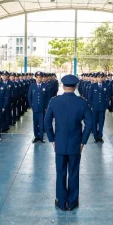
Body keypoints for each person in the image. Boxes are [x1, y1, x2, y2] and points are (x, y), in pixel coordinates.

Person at [44, 74, 93, 212]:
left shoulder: (54, 101)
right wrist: (83, 142)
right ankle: (72, 202)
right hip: (75, 144)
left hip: (59, 143)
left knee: (60, 173)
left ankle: (61, 201)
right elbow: (89, 124)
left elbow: (47, 122)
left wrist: (52, 139)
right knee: (73, 172)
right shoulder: (82, 102)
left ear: (62, 86)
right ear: (76, 86)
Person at [88, 72, 110, 143]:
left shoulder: (106, 86)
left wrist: (106, 106)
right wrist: (91, 106)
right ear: (96, 78)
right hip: (94, 107)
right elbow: (90, 97)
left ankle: (100, 136)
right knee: (94, 122)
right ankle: (95, 137)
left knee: (101, 122)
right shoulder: (93, 86)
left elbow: (108, 97)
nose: (100, 78)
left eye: (101, 77)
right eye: (99, 77)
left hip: (102, 108)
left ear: (103, 78)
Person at [28, 71, 48, 143]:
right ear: (35, 78)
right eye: (37, 77)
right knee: (35, 122)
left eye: (40, 77)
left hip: (42, 107)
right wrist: (31, 106)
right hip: (35, 107)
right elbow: (29, 97)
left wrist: (46, 107)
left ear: (42, 78)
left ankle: (41, 137)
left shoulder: (45, 86)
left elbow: (47, 98)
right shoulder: (32, 86)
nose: (39, 79)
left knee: (42, 122)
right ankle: (36, 136)